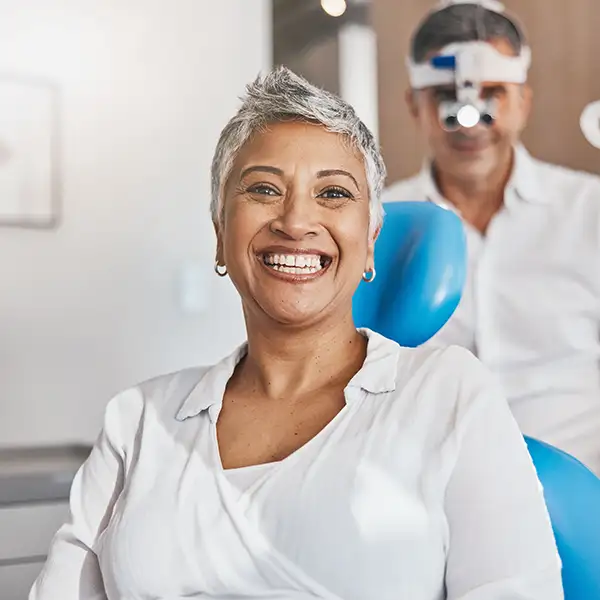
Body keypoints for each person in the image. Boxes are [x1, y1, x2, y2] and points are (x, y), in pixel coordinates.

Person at [30, 67, 562, 600]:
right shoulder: (138, 419)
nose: (295, 220)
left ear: (371, 240)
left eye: (333, 193)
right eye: (263, 188)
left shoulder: (448, 393)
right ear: (220, 232)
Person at [383, 1, 600, 475]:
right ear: (412, 106)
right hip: (430, 498)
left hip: (581, 498)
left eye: (493, 93)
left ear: (524, 100)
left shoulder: (590, 212)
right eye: (444, 94)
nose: (469, 117)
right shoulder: (378, 225)